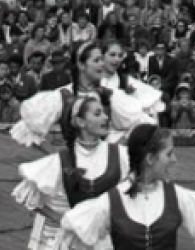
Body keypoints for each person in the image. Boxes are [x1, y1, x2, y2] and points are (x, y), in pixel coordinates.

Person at [60, 124, 195, 249]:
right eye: (169, 153)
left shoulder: (177, 196)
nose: (174, 159)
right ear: (150, 159)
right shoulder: (111, 201)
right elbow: (72, 233)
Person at [12, 96, 129, 250]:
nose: (106, 117)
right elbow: (29, 196)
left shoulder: (120, 154)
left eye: (105, 113)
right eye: (97, 114)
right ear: (80, 122)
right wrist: (64, 220)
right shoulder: (61, 160)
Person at [10, 41, 155, 147]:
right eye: (96, 60)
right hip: (74, 167)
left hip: (104, 167)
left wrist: (119, 145)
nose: (102, 64)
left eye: (102, 60)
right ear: (81, 65)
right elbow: (29, 127)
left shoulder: (109, 95)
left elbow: (144, 124)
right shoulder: (62, 96)